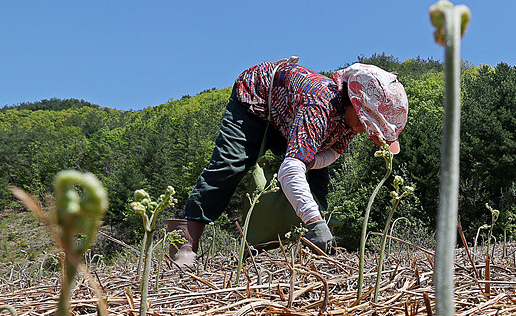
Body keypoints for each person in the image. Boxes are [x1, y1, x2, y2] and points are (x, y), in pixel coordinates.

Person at [166, 58, 409, 268]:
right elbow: (290, 170)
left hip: (288, 117)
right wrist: (313, 219)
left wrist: (310, 163)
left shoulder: (350, 122)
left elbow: (332, 153)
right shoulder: (320, 107)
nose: (366, 131)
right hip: (255, 102)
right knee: (230, 164)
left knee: (317, 183)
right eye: (367, 123)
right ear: (355, 104)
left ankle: (308, 244)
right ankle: (184, 243)